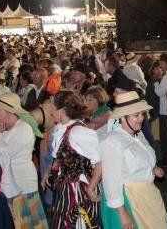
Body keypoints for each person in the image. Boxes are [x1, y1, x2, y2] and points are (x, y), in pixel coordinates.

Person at [100, 92, 167, 229]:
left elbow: (141, 158)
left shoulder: (138, 134)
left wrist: (153, 168)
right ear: (122, 117)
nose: (142, 118)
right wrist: (123, 213)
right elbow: (111, 181)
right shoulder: (112, 141)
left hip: (149, 194)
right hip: (132, 199)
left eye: (142, 114)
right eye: (136, 115)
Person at [0, 93, 47, 228]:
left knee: (26, 224)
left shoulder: (23, 129)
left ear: (9, 112)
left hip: (21, 184)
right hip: (12, 185)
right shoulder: (8, 129)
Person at [43, 90, 102, 229]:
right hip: (65, 189)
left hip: (77, 191)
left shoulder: (78, 133)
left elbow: (100, 162)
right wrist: (47, 172)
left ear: (62, 110)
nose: (51, 112)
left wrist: (91, 188)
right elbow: (58, 158)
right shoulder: (61, 128)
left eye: (53, 107)